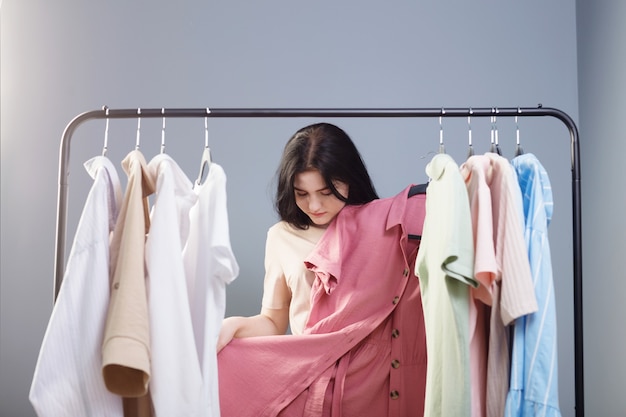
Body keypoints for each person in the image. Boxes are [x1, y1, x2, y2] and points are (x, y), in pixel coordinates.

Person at [217, 122, 379, 351]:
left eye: (326, 192)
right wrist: (232, 325)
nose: (314, 205)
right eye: (301, 194)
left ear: (350, 180)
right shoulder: (281, 236)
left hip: (372, 369)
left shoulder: (381, 226)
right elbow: (273, 322)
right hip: (311, 371)